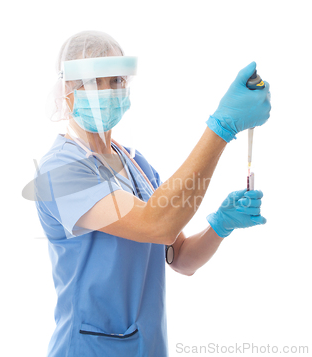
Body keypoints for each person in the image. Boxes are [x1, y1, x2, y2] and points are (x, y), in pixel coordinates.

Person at [34, 30, 271, 357]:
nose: (106, 91)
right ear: (66, 91)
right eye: (92, 82)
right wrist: (222, 126)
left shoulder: (136, 164)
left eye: (115, 80)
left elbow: (181, 257)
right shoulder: (61, 170)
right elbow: (156, 223)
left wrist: (220, 225)